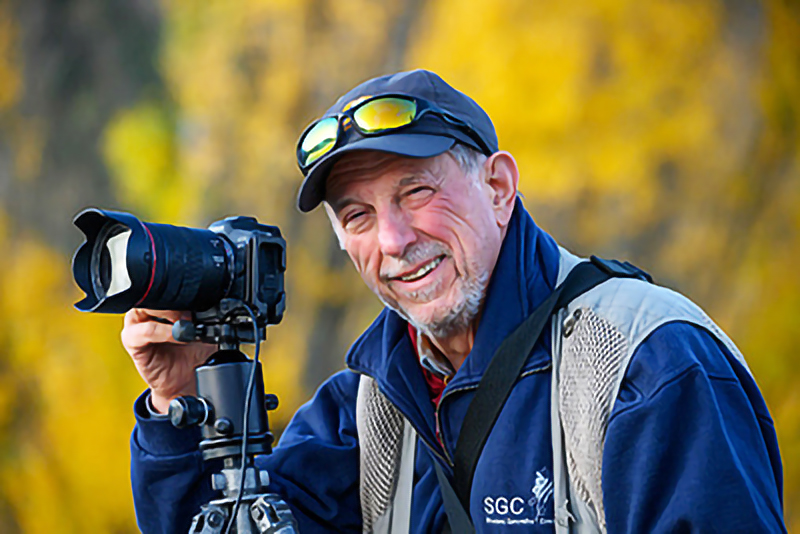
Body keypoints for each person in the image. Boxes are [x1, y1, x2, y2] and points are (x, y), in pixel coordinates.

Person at [127, 70, 786, 533]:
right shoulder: (366, 409)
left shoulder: (648, 370)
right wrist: (181, 407)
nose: (394, 239)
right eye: (357, 215)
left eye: (417, 193)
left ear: (499, 187)